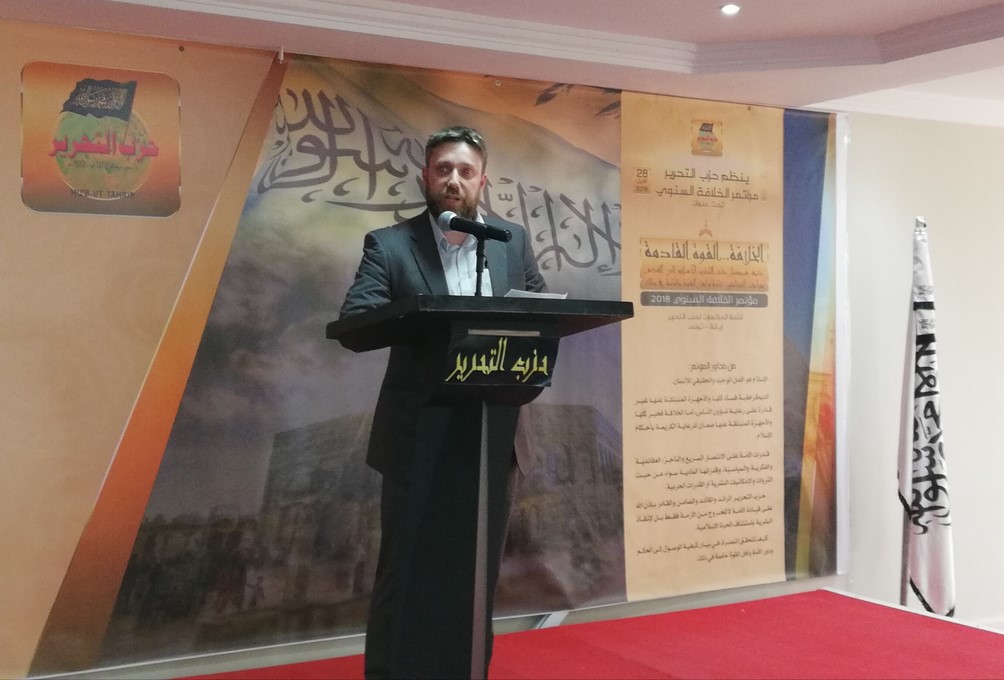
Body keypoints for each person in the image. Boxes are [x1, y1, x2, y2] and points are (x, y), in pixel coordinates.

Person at [339, 125, 547, 679]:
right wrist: (429, 319)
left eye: (465, 171)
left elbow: (541, 311)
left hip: (495, 435)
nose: (454, 179)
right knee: (405, 570)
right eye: (443, 169)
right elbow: (357, 320)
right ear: (425, 176)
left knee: (477, 574)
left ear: (483, 181)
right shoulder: (389, 245)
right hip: (418, 434)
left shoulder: (511, 241)